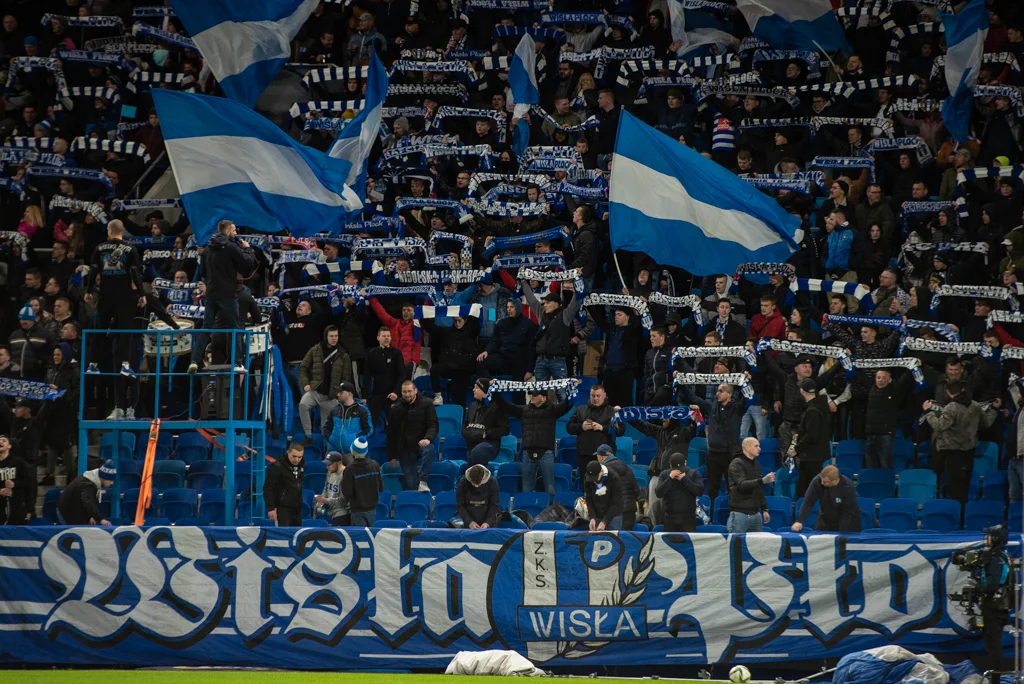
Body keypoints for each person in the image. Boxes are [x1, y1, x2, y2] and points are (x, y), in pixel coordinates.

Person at [188, 220, 257, 374]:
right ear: (226, 231)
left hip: (211, 294)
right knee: (235, 329)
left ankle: (194, 361)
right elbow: (248, 264)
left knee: (206, 328)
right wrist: (248, 249)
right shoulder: (231, 247)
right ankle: (238, 363)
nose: (236, 233)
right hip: (228, 294)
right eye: (233, 231)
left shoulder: (207, 249)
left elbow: (203, 273)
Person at [84, 220, 144, 383]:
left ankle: (93, 364)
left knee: (100, 329)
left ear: (109, 231)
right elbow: (135, 273)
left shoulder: (99, 248)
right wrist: (141, 293)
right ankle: (125, 365)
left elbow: (93, 270)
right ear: (122, 231)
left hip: (105, 294)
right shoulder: (131, 249)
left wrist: (88, 290)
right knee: (125, 329)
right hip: (124, 295)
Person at [492, 382, 575, 497]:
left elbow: (568, 403)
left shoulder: (553, 410)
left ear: (544, 398)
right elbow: (505, 405)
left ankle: (550, 513)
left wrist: (574, 387)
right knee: (527, 489)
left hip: (546, 453)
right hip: (528, 453)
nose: (532, 397)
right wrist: (495, 391)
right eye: (532, 395)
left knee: (550, 489)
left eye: (536, 395)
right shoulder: (524, 410)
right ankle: (527, 513)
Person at [924, 381, 997, 505]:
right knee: (964, 488)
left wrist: (928, 412)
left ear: (948, 392)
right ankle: (962, 516)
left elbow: (939, 425)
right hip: (968, 452)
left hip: (952, 453)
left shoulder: (951, 407)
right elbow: (985, 424)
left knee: (954, 490)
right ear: (963, 390)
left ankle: (957, 519)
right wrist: (993, 410)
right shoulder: (975, 405)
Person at [681, 381, 745, 500]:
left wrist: (746, 381)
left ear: (729, 394)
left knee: (733, 487)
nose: (717, 394)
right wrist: (681, 383)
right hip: (713, 454)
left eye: (721, 391)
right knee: (712, 489)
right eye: (717, 391)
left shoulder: (737, 408)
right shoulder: (711, 407)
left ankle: (733, 515)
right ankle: (711, 515)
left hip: (730, 454)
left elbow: (750, 397)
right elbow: (693, 397)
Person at [522, 283, 581, 401]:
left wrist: (578, 287)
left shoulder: (565, 315)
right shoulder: (541, 314)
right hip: (541, 361)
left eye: (548, 302)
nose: (545, 305)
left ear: (556, 304)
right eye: (544, 302)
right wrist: (523, 281)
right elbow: (531, 299)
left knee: (561, 393)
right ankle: (542, 418)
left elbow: (576, 303)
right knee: (539, 394)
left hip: (557, 361)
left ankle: (566, 419)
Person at [297, 325, 352, 439]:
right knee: (303, 404)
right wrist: (306, 383)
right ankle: (308, 436)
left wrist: (339, 393)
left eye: (336, 336)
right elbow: (303, 368)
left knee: (326, 430)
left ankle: (326, 450)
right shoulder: (315, 350)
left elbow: (346, 378)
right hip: (315, 390)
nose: (334, 338)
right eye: (331, 336)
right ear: (326, 336)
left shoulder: (343, 355)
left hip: (332, 396)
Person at [387, 380, 437, 492]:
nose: (407, 394)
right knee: (412, 485)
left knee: (429, 449)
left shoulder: (426, 404)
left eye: (409, 391)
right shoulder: (396, 407)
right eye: (404, 392)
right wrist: (392, 455)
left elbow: (433, 425)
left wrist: (428, 438)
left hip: (421, 443)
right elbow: (391, 432)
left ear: (415, 390)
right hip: (404, 449)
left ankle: (423, 481)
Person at [977, 524, 1012, 684]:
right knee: (993, 645)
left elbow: (992, 585)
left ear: (996, 538)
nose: (986, 538)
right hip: (998, 607)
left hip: (994, 608)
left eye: (989, 535)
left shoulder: (996, 558)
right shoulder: (1002, 555)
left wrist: (979, 587)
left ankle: (995, 680)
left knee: (993, 646)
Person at [864, 369, 915, 469]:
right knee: (870, 466)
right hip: (870, 434)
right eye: (878, 378)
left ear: (889, 379)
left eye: (884, 378)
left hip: (885, 435)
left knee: (886, 465)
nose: (881, 380)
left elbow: (903, 381)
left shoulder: (893, 391)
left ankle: (888, 484)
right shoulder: (871, 390)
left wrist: (911, 368)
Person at [567, 384, 625, 473]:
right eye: (593, 396)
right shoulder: (580, 410)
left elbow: (620, 430)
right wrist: (581, 427)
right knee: (586, 485)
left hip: (605, 456)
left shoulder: (612, 411)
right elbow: (569, 428)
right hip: (584, 455)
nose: (595, 399)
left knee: (605, 485)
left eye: (598, 396)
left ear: (604, 395)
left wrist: (603, 428)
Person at [790, 378, 833, 493]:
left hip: (811, 456)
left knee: (809, 490)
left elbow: (812, 435)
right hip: (815, 455)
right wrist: (800, 435)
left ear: (802, 391)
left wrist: (797, 449)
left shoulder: (812, 410)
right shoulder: (820, 406)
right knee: (805, 489)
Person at [791, 465, 861, 532]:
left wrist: (841, 533)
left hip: (848, 522)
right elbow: (808, 502)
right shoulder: (817, 481)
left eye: (825, 482)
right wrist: (799, 521)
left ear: (835, 480)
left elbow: (847, 512)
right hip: (825, 520)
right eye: (821, 480)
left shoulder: (847, 486)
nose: (821, 483)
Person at [726, 438, 774, 533]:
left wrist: (764, 508)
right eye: (756, 446)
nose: (759, 448)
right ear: (747, 448)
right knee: (737, 546)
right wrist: (762, 480)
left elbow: (759, 488)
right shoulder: (736, 463)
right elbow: (742, 485)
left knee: (757, 547)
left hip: (756, 514)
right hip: (740, 514)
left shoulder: (756, 464)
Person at [462, 378, 509, 466]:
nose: (473, 390)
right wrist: (468, 433)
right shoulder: (472, 405)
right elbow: (465, 426)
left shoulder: (497, 406)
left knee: (478, 451)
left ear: (483, 390)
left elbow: (505, 429)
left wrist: (486, 434)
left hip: (489, 444)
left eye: (476, 387)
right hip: (472, 443)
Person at [593, 444, 640, 530]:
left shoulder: (603, 471)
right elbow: (636, 491)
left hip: (613, 516)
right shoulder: (628, 468)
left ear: (601, 457)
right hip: (630, 513)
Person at [655, 452, 704, 532]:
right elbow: (658, 493)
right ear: (670, 464)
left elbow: (700, 491)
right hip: (670, 518)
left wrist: (684, 479)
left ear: (685, 462)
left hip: (688, 518)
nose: (678, 471)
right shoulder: (664, 474)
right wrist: (670, 478)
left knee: (688, 543)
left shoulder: (694, 473)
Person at [366, 327, 406, 426]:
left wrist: (396, 392)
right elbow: (367, 375)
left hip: (392, 394)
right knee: (371, 423)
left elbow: (402, 375)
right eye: (384, 336)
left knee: (393, 424)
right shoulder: (372, 353)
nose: (386, 338)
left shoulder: (396, 353)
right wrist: (364, 396)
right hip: (377, 394)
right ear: (378, 337)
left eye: (388, 336)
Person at [341, 437, 383, 526]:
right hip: (372, 509)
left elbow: (347, 493)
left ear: (352, 450)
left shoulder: (349, 469)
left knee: (360, 538)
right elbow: (380, 487)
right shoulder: (375, 465)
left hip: (357, 511)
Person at [58, 460, 116, 525]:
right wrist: (101, 519)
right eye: (110, 480)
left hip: (75, 511)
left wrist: (90, 516)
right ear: (104, 477)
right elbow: (88, 502)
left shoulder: (92, 481)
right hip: (67, 512)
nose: (112, 483)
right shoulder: (88, 485)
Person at [264, 442, 306, 526]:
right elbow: (268, 487)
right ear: (288, 452)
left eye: (299, 457)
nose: (296, 460)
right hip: (282, 508)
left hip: (297, 508)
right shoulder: (277, 466)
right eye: (294, 456)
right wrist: (271, 508)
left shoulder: (302, 464)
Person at [324, 382, 372, 454]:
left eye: (341, 392)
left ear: (349, 394)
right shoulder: (334, 409)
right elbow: (326, 428)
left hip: (352, 451)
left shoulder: (362, 410)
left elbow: (369, 429)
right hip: (333, 450)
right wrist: (331, 438)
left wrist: (356, 439)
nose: (338, 394)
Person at [0, 434, 34, 524]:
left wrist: (30, 509)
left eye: (4, 440)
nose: (0, 442)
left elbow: (29, 483)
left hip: (17, 507)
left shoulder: (18, 462)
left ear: (9, 446)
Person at [583, 459, 624, 531]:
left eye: (595, 477)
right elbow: (589, 499)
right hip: (597, 514)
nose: (593, 481)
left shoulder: (614, 478)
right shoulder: (587, 479)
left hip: (613, 515)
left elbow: (617, 503)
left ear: (601, 472)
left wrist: (604, 521)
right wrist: (592, 517)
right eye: (591, 478)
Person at [456, 464, 500, 529]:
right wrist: (469, 522)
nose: (476, 486)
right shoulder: (463, 483)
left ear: (484, 477)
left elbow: (494, 505)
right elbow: (460, 505)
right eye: (473, 483)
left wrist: (487, 522)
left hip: (487, 519)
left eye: (479, 484)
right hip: (468, 518)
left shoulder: (492, 482)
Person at [317, 451, 351, 526]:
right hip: (332, 510)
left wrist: (325, 500)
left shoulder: (346, 474)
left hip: (343, 513)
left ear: (338, 463)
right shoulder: (330, 472)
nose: (327, 467)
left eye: (329, 464)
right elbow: (326, 488)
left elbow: (343, 500)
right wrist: (321, 499)